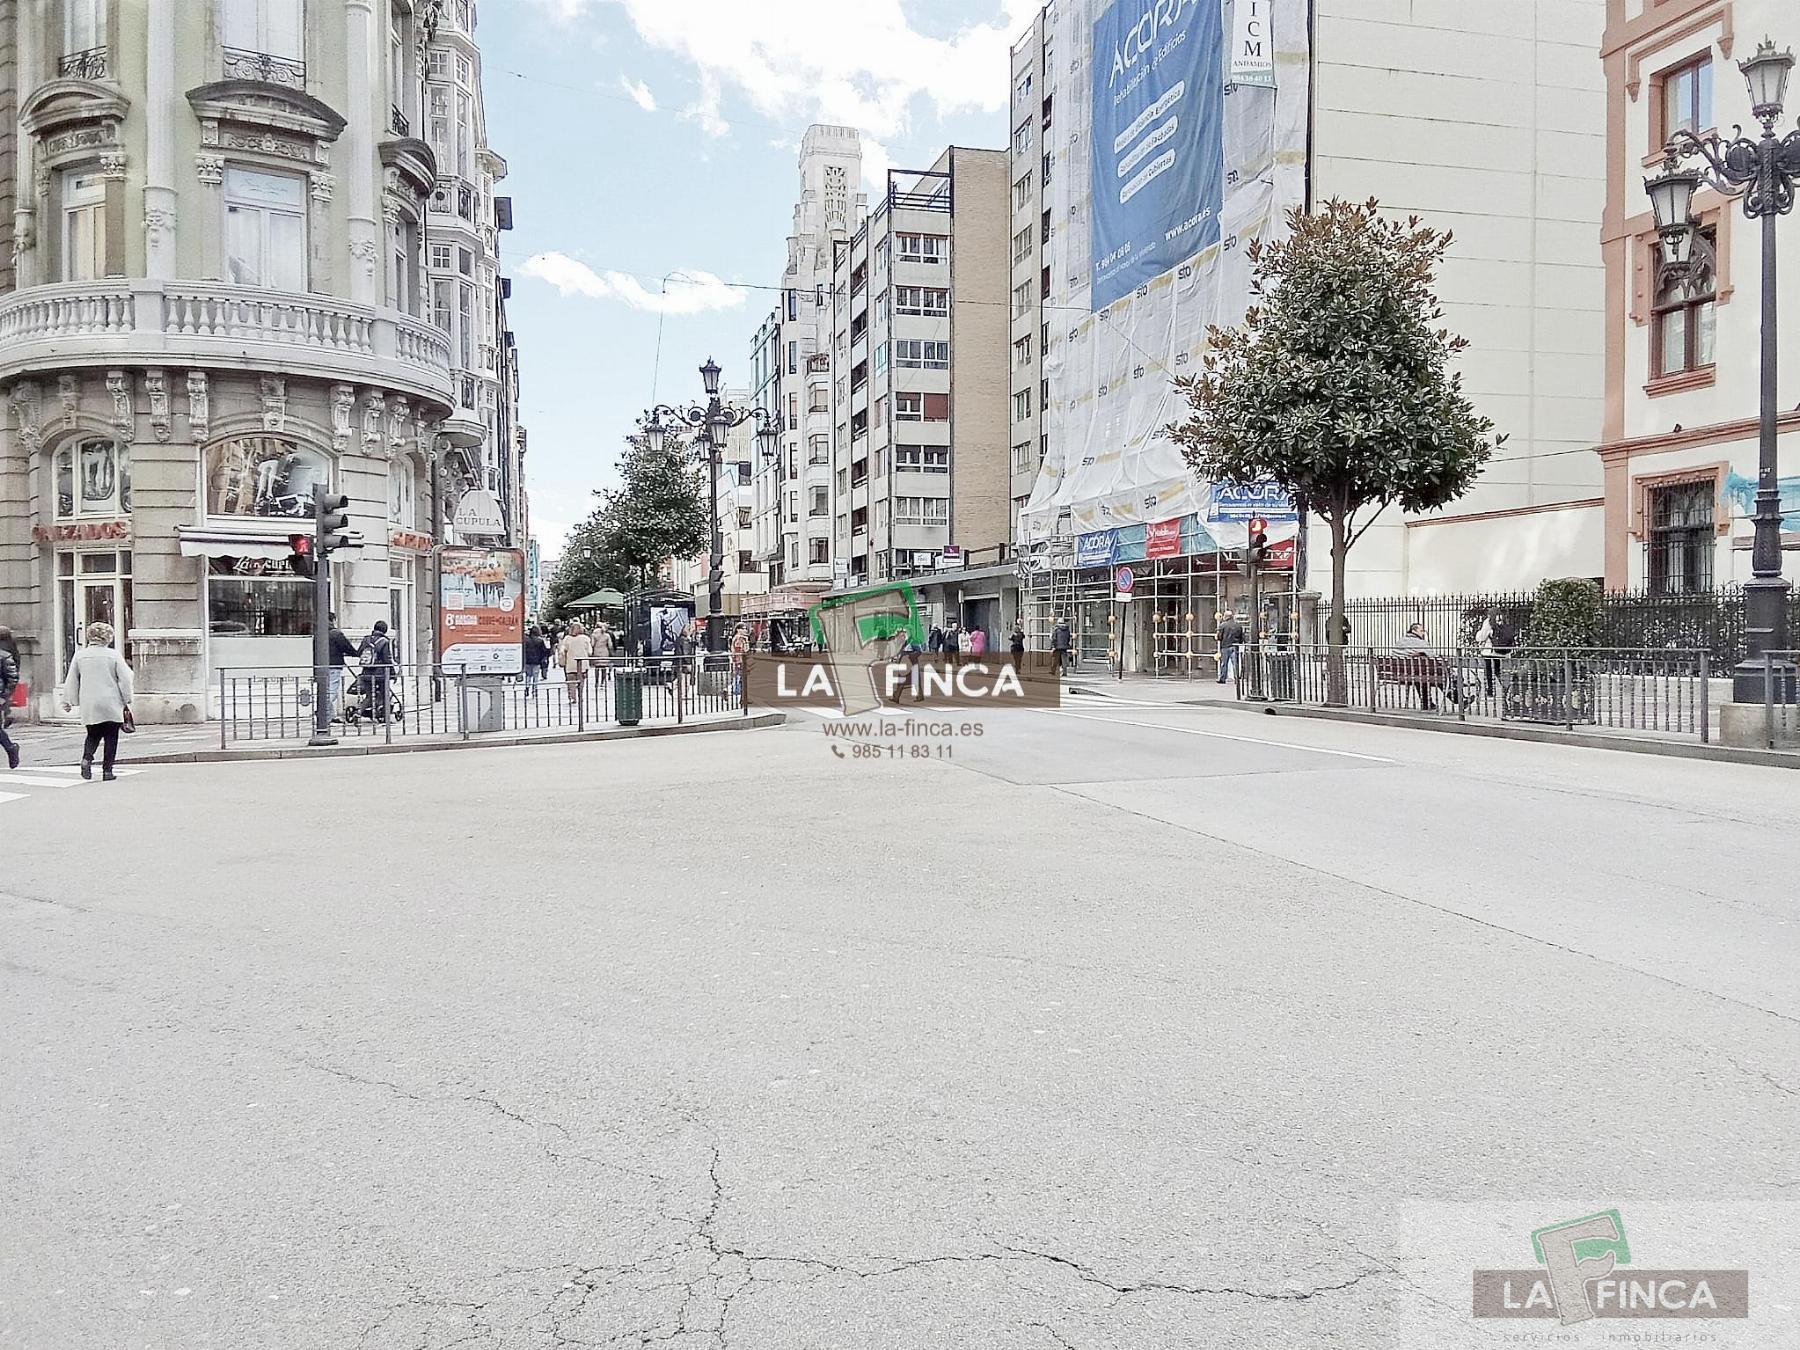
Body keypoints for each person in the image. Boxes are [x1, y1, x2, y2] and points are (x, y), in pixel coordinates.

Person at [59, 621, 133, 781]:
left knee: (92, 734)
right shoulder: (113, 655)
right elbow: (125, 679)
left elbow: (72, 680)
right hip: (111, 700)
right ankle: (107, 771)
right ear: (107, 637)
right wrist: (127, 698)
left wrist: (68, 701)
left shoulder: (80, 656)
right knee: (111, 737)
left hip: (90, 701)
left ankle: (87, 758)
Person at [1397, 621, 1436, 710]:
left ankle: (1427, 703)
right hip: (1418, 673)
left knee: (1420, 676)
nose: (1423, 633)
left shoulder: (1400, 641)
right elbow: (1432, 656)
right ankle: (1458, 699)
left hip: (1403, 674)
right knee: (1435, 676)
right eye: (1421, 631)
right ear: (1414, 631)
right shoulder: (1421, 643)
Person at [327, 613, 358, 721]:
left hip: (320, 666)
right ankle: (323, 713)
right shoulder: (336, 634)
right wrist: (356, 653)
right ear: (333, 620)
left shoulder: (318, 633)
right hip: (334, 665)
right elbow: (346, 647)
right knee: (332, 691)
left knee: (325, 690)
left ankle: (330, 715)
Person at [556, 621, 593, 705]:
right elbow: (590, 652)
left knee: (571, 682)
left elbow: (562, 650)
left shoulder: (567, 639)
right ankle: (580, 696)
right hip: (582, 665)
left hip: (570, 664)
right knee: (581, 682)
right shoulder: (585, 638)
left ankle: (573, 697)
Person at [0, 625, 20, 770]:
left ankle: (10, 748)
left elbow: (12, 677)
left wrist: (4, 696)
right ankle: (11, 748)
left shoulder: (4, 655)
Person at [1215, 611, 1247, 685]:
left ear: (1226, 617)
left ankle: (1223, 678)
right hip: (1235, 646)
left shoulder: (1222, 625)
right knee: (1235, 663)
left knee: (1224, 663)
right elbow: (1242, 637)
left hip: (1225, 646)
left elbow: (1219, 637)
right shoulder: (1238, 625)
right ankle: (1237, 678)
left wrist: (1218, 637)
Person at [523, 626, 551, 696]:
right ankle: (534, 690)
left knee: (528, 675)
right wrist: (543, 658)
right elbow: (544, 651)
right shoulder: (540, 640)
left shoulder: (526, 640)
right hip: (537, 661)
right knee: (535, 676)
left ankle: (527, 687)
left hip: (528, 660)